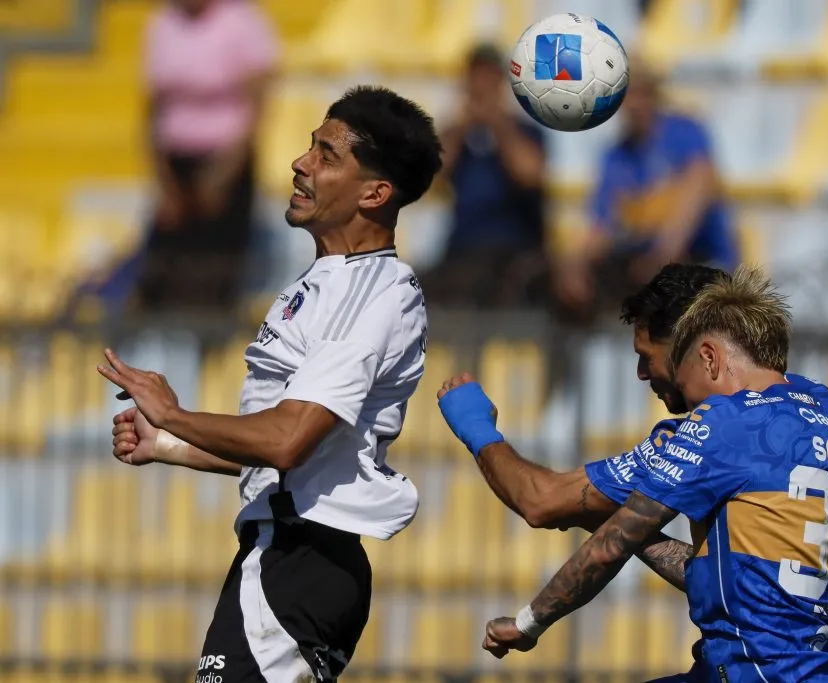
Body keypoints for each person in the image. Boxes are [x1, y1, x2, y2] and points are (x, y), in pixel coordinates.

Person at [100, 86, 443, 682]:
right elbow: (297, 456)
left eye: (327, 155)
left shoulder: (367, 294)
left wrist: (176, 415)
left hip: (300, 561)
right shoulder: (327, 283)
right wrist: (170, 444)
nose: (300, 163)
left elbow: (288, 441)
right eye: (311, 146)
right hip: (282, 557)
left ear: (374, 193)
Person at [478, 267, 828, 682]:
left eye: (684, 382)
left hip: (759, 670)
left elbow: (596, 540)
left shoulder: (724, 418)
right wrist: (624, 526)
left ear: (709, 357)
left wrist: (529, 623)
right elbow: (767, 575)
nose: (688, 403)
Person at [555, 63, 739, 322]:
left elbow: (700, 184)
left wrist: (664, 252)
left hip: (702, 263)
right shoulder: (616, 155)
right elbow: (601, 224)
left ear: (654, 95)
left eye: (639, 94)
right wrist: (575, 264)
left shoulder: (684, 133)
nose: (633, 104)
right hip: (646, 272)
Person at [137, 0, 279, 313]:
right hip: (177, 163)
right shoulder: (162, 23)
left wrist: (223, 173)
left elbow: (258, 105)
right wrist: (165, 183)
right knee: (166, 275)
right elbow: (152, 108)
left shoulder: (243, 20)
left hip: (228, 163)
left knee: (217, 272)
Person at [420, 43, 548, 308]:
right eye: (475, 76)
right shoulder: (455, 136)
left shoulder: (526, 132)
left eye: (488, 77)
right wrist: (461, 127)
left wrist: (498, 122)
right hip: (463, 249)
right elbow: (433, 177)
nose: (480, 85)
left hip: (515, 250)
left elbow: (529, 175)